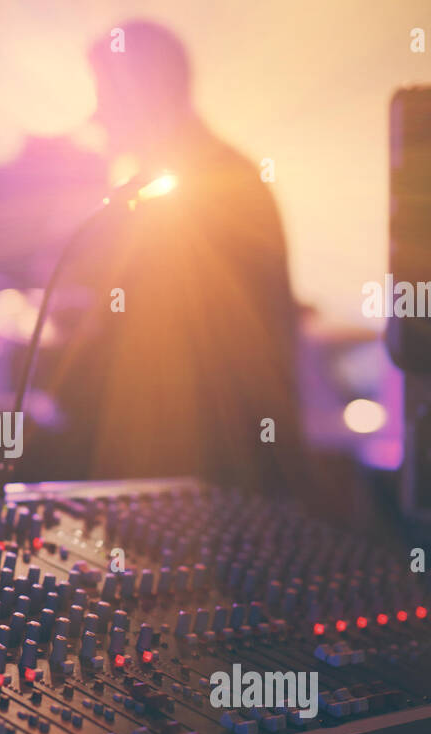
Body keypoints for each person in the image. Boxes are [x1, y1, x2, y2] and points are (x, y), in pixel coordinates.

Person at [35, 20, 308, 496]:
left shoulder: (193, 188)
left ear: (145, 91)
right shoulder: (205, 175)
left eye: (104, 94)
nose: (96, 116)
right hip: (201, 474)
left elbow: (156, 341)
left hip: (200, 480)